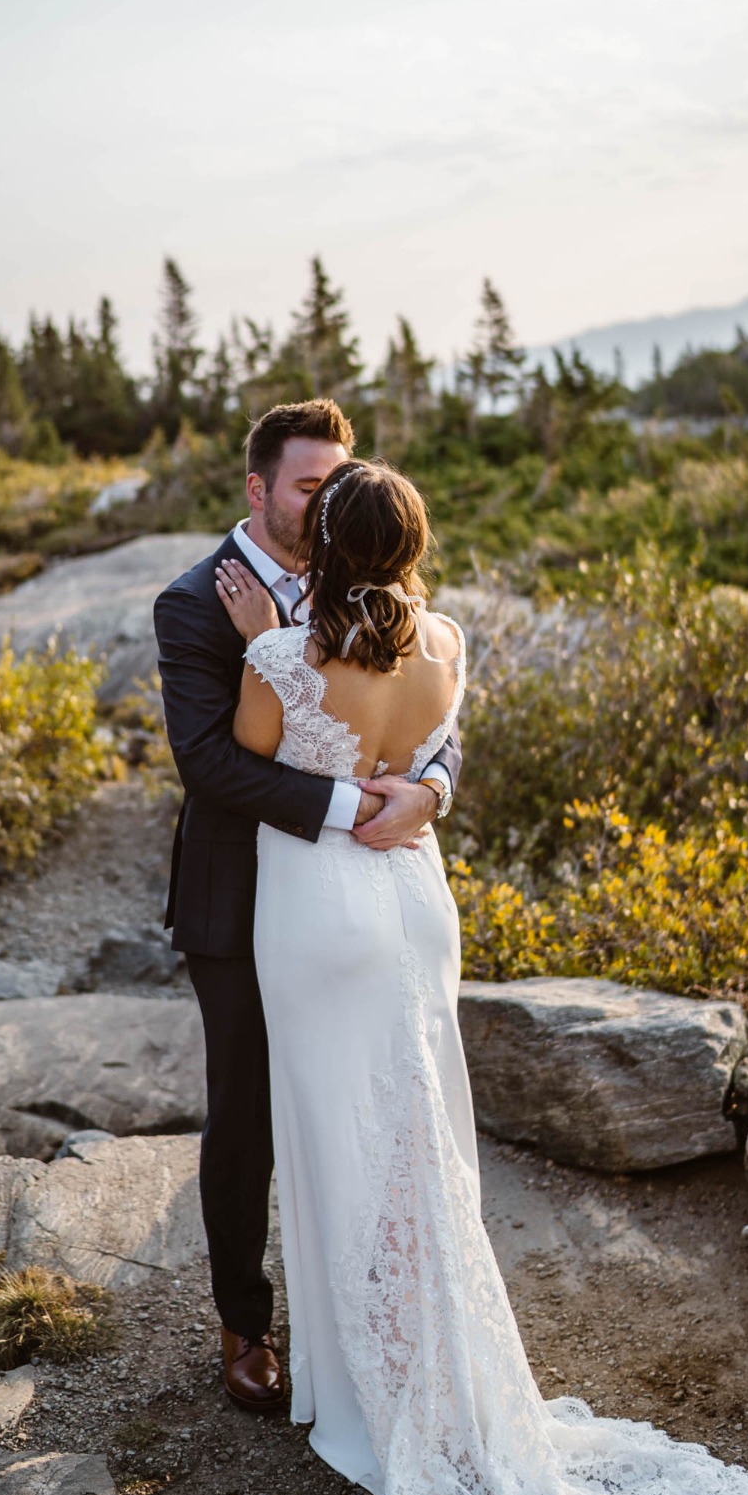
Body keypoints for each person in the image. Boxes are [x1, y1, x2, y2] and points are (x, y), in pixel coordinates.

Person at [219, 458, 748, 1495]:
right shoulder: (450, 643)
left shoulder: (283, 652)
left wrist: (264, 652)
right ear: (414, 545)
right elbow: (432, 743)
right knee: (419, 1133)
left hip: (321, 912)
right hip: (417, 902)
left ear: (325, 546)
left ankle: (363, 1385)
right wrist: (419, 786)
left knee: (338, 1136)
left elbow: (257, 757)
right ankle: (435, 1356)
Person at [153, 401, 461, 1412]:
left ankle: (373, 1314)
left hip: (353, 901)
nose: (327, 498)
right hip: (243, 900)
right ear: (258, 491)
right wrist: (360, 808)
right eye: (306, 484)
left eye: (339, 480)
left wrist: (431, 792)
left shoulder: (368, 571)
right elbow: (208, 763)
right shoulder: (196, 603)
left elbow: (429, 712)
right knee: (246, 1117)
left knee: (363, 1099)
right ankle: (246, 1326)